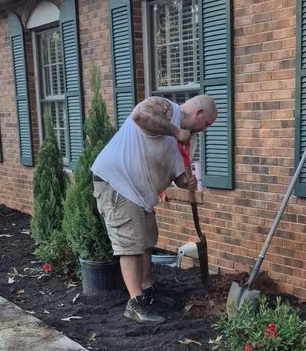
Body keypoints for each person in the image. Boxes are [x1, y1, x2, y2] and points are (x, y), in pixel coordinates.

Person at [91, 94, 218, 325]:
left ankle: (147, 291)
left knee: (147, 240)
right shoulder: (166, 108)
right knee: (130, 244)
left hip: (142, 193)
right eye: (207, 123)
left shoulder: (190, 140)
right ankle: (135, 304)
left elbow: (177, 173)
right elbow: (140, 116)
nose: (205, 129)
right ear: (198, 114)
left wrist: (184, 182)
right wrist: (176, 131)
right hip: (117, 182)